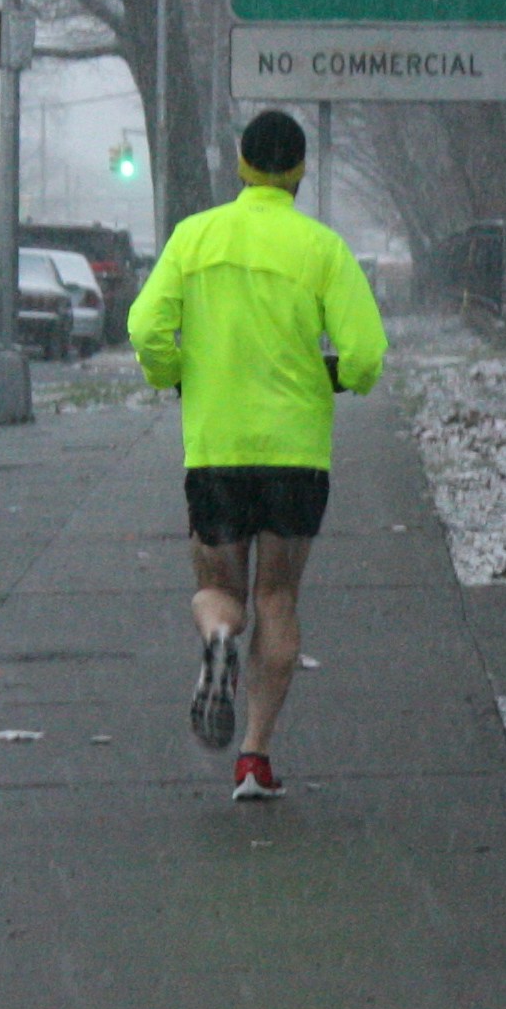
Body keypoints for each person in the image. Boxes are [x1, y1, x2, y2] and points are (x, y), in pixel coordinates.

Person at [126, 109, 388, 799]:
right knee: (278, 596)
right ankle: (254, 757)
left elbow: (145, 326)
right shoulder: (322, 249)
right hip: (296, 454)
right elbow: (366, 354)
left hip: (217, 447)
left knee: (220, 588)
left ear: (241, 165)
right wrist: (340, 378)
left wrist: (172, 372)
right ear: (300, 171)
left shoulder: (195, 237)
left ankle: (218, 637)